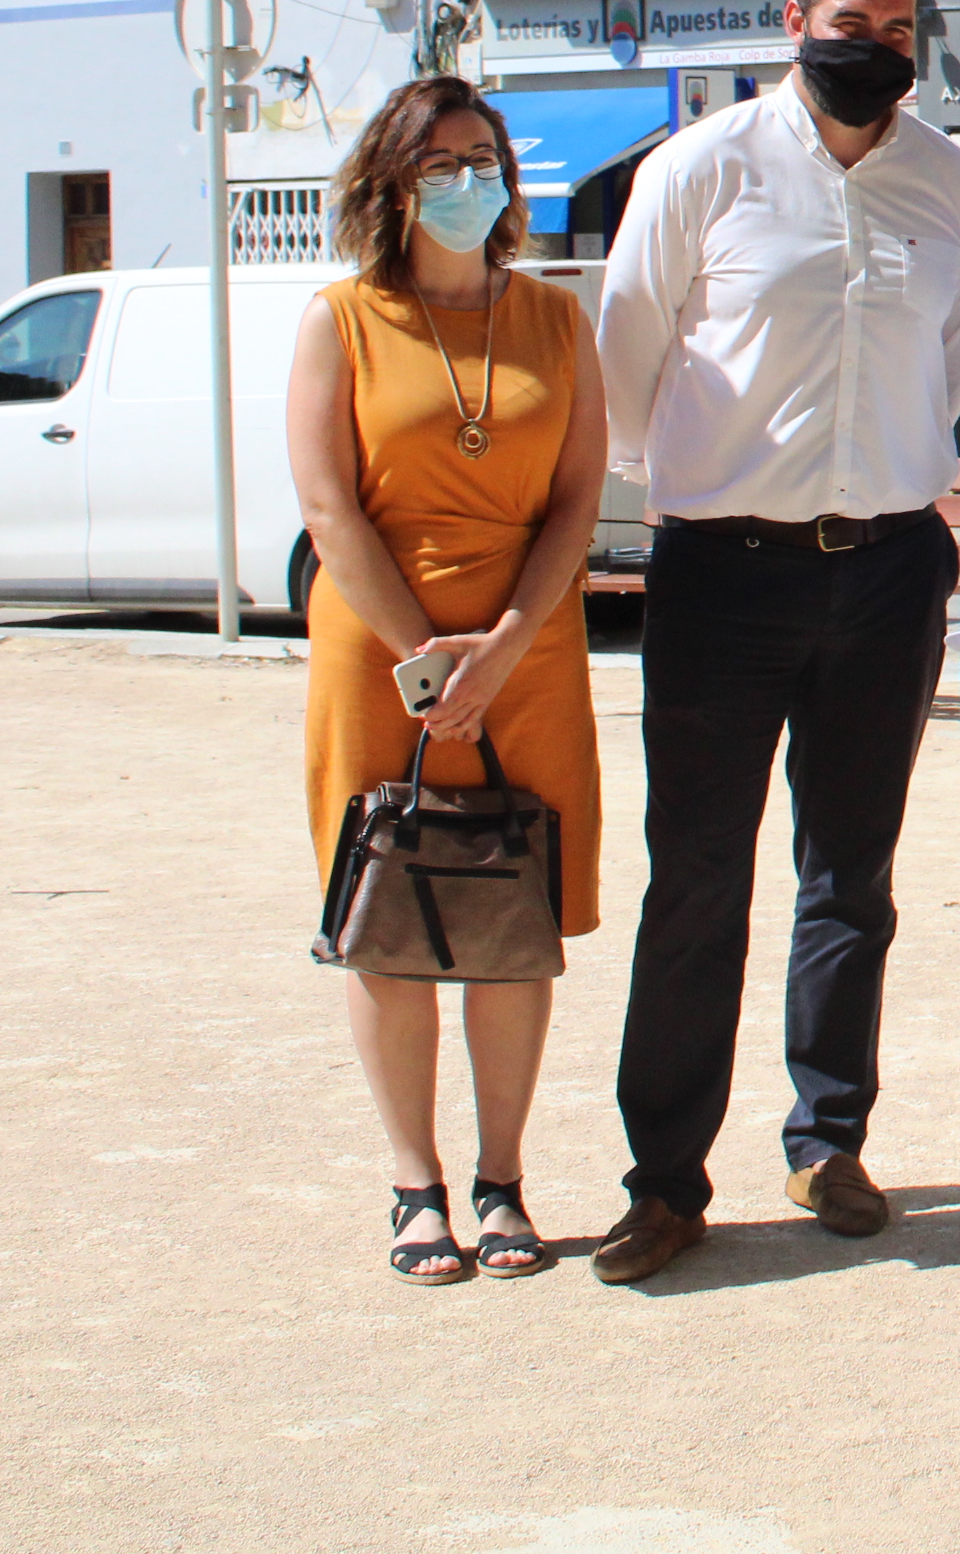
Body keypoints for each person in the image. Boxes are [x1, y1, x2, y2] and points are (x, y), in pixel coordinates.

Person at [589, 0, 960, 1285]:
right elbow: (628, 363)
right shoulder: (699, 171)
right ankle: (666, 1180)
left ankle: (829, 1137)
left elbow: (949, 369)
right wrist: (713, 484)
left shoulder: (952, 187)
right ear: (792, 19)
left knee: (852, 880)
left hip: (883, 571)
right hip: (724, 573)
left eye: (894, 30)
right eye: (847, 20)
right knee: (698, 879)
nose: (870, 48)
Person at [288, 79, 611, 1283]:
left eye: (484, 158)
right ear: (391, 183)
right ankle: (415, 1186)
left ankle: (503, 1177)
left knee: (514, 921)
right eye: (441, 162)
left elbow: (579, 497)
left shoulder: (553, 321)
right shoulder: (343, 319)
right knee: (389, 910)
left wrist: (510, 641)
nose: (468, 180)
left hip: (529, 649)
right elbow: (327, 502)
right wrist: (425, 658)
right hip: (384, 653)